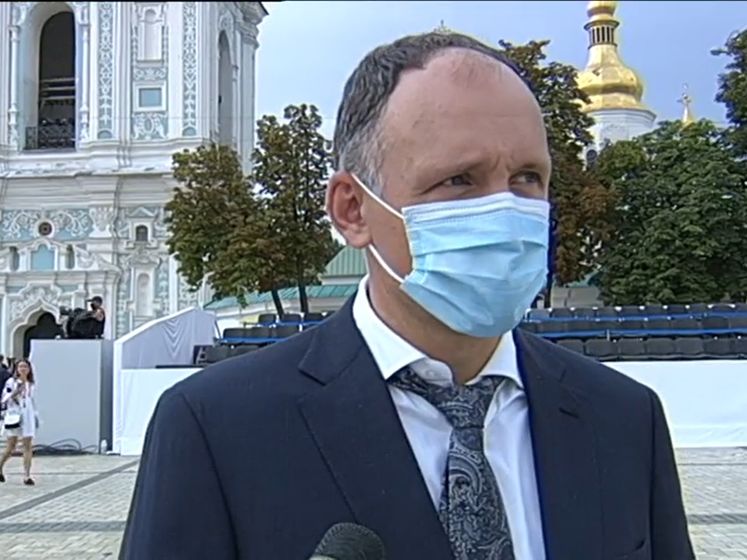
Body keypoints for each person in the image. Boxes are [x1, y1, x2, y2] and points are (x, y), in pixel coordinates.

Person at [121, 32, 694, 559]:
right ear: (353, 210)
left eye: (527, 177)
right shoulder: (218, 429)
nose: (505, 209)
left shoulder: (624, 419)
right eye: (459, 180)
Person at [0, 359, 39, 485]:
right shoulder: (11, 382)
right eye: (20, 366)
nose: (23, 369)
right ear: (16, 369)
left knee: (27, 444)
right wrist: (16, 392)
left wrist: (35, 416)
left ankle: (27, 475)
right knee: (11, 446)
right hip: (15, 414)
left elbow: (32, 400)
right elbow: (5, 398)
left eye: (25, 367)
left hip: (27, 414)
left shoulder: (30, 383)